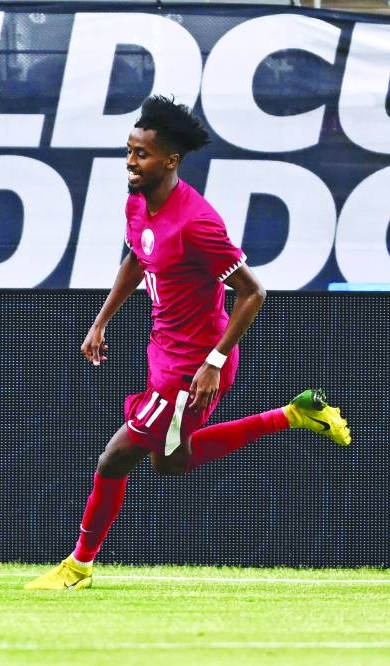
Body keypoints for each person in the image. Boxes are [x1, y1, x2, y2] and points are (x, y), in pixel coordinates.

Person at [24, 95, 351, 591]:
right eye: (129, 151)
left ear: (170, 161)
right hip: (164, 355)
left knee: (114, 459)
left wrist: (214, 362)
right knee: (170, 463)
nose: (131, 163)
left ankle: (78, 566)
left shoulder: (197, 222)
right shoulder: (138, 200)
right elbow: (138, 256)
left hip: (192, 367)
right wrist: (101, 320)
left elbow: (253, 292)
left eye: (142, 154)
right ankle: (293, 414)